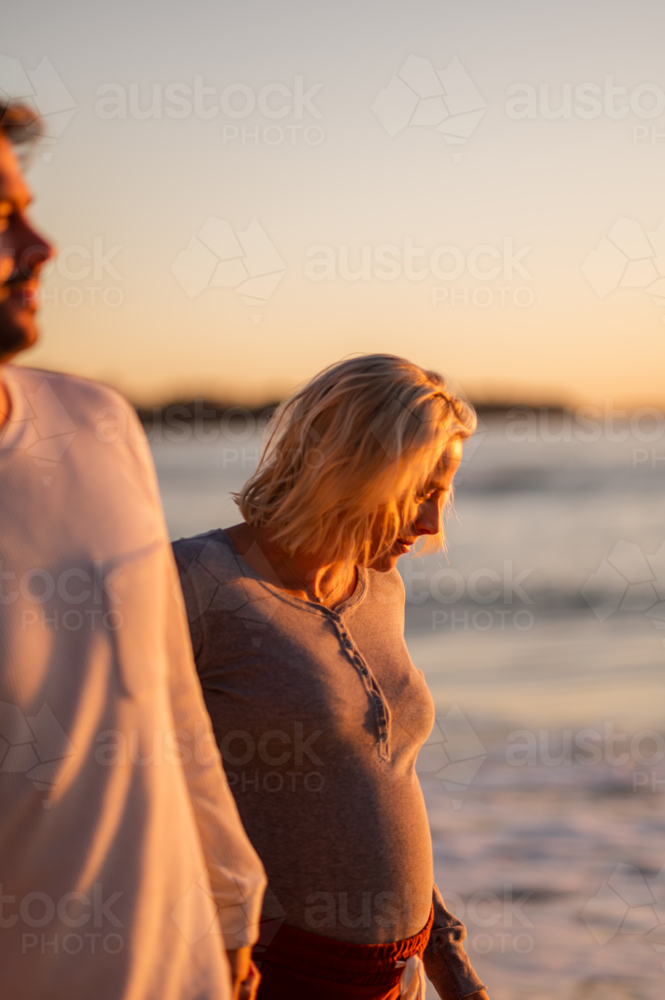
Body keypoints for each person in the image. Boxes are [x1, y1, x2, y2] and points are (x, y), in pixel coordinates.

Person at [0, 102, 266, 999]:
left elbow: (164, 697)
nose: (43, 247)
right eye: (2, 221)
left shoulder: (96, 424)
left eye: (28, 210)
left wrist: (232, 899)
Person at [174, 354, 490, 1000]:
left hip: (399, 978)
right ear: (350, 471)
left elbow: (376, 773)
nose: (432, 525)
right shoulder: (197, 583)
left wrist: (442, 950)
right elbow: (123, 783)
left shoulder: (379, 587)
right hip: (272, 974)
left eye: (441, 496)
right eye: (418, 493)